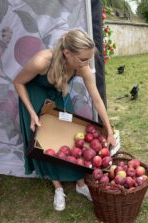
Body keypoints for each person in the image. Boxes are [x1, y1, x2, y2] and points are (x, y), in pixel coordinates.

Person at [13, 29, 116, 211]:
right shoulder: (42, 60)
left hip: (60, 94)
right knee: (46, 142)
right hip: (36, 96)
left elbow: (97, 99)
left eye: (89, 58)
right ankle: (58, 188)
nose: (86, 64)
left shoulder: (81, 66)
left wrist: (108, 130)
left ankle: (80, 183)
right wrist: (32, 113)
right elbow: (18, 82)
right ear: (67, 53)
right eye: (83, 59)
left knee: (71, 136)